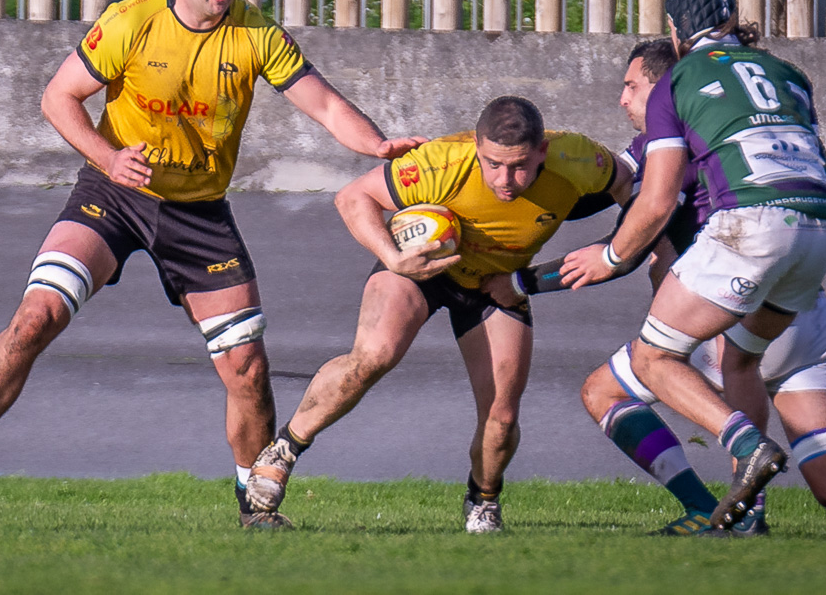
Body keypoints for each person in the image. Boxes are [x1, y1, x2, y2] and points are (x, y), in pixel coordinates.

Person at [0, 0, 422, 527]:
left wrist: (376, 145)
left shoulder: (255, 32)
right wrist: (108, 157)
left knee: (247, 367)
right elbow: (56, 98)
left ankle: (254, 509)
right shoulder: (132, 19)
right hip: (114, 193)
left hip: (199, 213)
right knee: (34, 318)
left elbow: (327, 104)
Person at [520, 40, 826, 539]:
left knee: (605, 389)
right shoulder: (740, 126)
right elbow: (609, 180)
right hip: (801, 310)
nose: (623, 99)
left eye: (632, 86)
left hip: (732, 308)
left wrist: (518, 278)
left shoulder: (672, 145)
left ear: (667, 88)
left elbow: (623, 240)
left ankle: (717, 510)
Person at [244, 97, 627, 533]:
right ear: (478, 145)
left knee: (501, 417)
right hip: (420, 269)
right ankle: (284, 450)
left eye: (519, 166)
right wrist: (393, 257)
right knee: (373, 356)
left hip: (496, 284)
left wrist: (612, 248)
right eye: (493, 164)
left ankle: (483, 501)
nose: (506, 180)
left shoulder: (578, 157)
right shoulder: (443, 162)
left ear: (541, 151)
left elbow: (634, 190)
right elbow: (353, 197)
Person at [550, 0, 826, 532]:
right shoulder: (787, 73)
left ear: (675, 29)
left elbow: (652, 199)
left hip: (747, 243)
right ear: (731, 16)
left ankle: (747, 449)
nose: (624, 98)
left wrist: (608, 255)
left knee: (650, 360)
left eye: (631, 86)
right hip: (818, 240)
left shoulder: (678, 84)